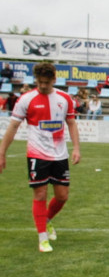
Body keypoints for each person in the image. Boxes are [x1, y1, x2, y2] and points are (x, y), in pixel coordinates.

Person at [0, 61, 81, 252]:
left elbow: (71, 123)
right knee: (40, 193)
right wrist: (2, 152)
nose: (43, 85)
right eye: (40, 82)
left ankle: (46, 220)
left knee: (62, 196)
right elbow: (13, 127)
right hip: (37, 154)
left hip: (60, 155)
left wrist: (76, 148)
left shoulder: (64, 98)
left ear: (54, 79)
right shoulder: (26, 100)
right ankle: (42, 238)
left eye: (46, 82)